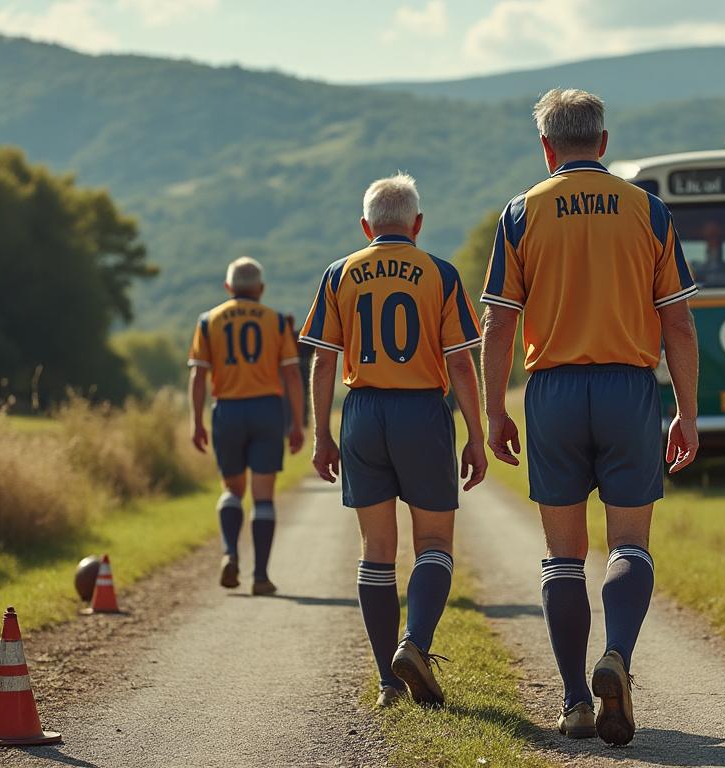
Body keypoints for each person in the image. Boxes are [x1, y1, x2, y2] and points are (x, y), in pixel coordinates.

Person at [478, 89, 701, 745]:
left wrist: (494, 411)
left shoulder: (521, 213)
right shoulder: (648, 210)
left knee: (563, 557)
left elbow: (498, 322)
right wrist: (686, 412)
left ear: (547, 147)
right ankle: (619, 658)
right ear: (603, 142)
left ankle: (576, 701)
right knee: (629, 543)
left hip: (552, 392)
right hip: (630, 388)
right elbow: (679, 326)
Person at [300, 173, 487, 708]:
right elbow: (460, 362)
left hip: (362, 412)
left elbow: (323, 360)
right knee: (433, 544)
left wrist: (322, 435)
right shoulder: (441, 274)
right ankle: (416, 645)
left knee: (377, 552)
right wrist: (476, 434)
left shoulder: (339, 274)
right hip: (423, 411)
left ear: (366, 227)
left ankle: (388, 682)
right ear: (418, 225)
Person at [188, 257, 305, 596]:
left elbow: (198, 375)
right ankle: (261, 576)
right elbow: (292, 375)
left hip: (228, 411)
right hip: (268, 410)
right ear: (261, 289)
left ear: (228, 287)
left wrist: (197, 422)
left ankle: (229, 553)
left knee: (232, 490)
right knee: (264, 495)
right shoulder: (277, 321)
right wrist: (296, 423)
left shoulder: (209, 320)